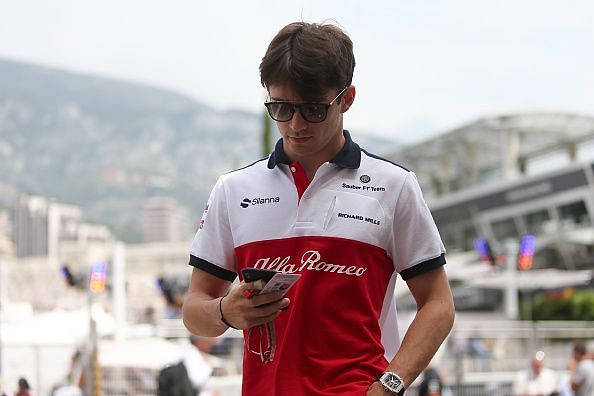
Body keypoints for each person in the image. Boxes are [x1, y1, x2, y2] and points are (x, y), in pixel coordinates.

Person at [182, 20, 455, 395]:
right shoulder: (234, 189)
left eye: (312, 109)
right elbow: (194, 311)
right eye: (280, 107)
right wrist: (225, 313)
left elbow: (439, 305)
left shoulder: (394, 186)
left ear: (347, 98)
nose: (294, 124)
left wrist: (391, 385)